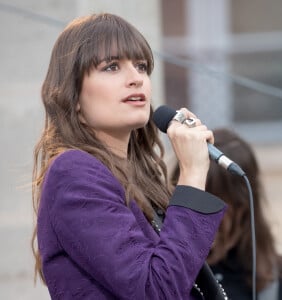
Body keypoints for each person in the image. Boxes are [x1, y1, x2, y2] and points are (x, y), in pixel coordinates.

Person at [31, 13, 227, 299]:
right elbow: (156, 291)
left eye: (141, 66)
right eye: (111, 67)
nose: (136, 78)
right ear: (72, 98)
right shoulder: (73, 173)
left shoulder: (134, 177)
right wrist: (193, 174)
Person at [171, 128, 282, 300]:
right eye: (187, 198)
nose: (195, 214)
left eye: (210, 201)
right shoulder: (163, 276)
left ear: (242, 206)